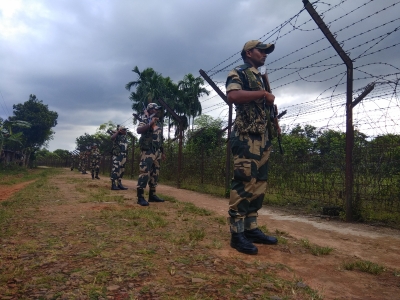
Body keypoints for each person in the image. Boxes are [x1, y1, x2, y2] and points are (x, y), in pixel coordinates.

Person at [225, 40, 281, 255]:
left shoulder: (259, 76)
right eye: (261, 50)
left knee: (259, 184)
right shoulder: (238, 72)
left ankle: (251, 228)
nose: (265, 54)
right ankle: (236, 233)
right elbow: (233, 96)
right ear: (249, 53)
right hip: (246, 136)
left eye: (266, 51)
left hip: (262, 137)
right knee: (244, 183)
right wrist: (262, 94)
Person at [136, 103, 166, 206]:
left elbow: (160, 139)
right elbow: (139, 130)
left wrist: (162, 152)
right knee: (144, 173)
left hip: (157, 152)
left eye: (157, 110)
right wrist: (149, 124)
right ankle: (140, 197)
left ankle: (152, 195)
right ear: (149, 110)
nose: (156, 111)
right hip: (147, 151)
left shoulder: (159, 123)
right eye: (154, 109)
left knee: (155, 174)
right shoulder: (145, 121)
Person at [110, 125, 129, 190]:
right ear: (120, 130)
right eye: (124, 130)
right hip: (117, 155)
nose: (125, 131)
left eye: (125, 130)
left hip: (123, 155)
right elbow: (112, 138)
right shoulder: (116, 135)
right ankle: (113, 184)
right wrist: (118, 132)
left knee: (122, 170)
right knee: (115, 169)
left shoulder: (124, 137)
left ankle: (119, 183)